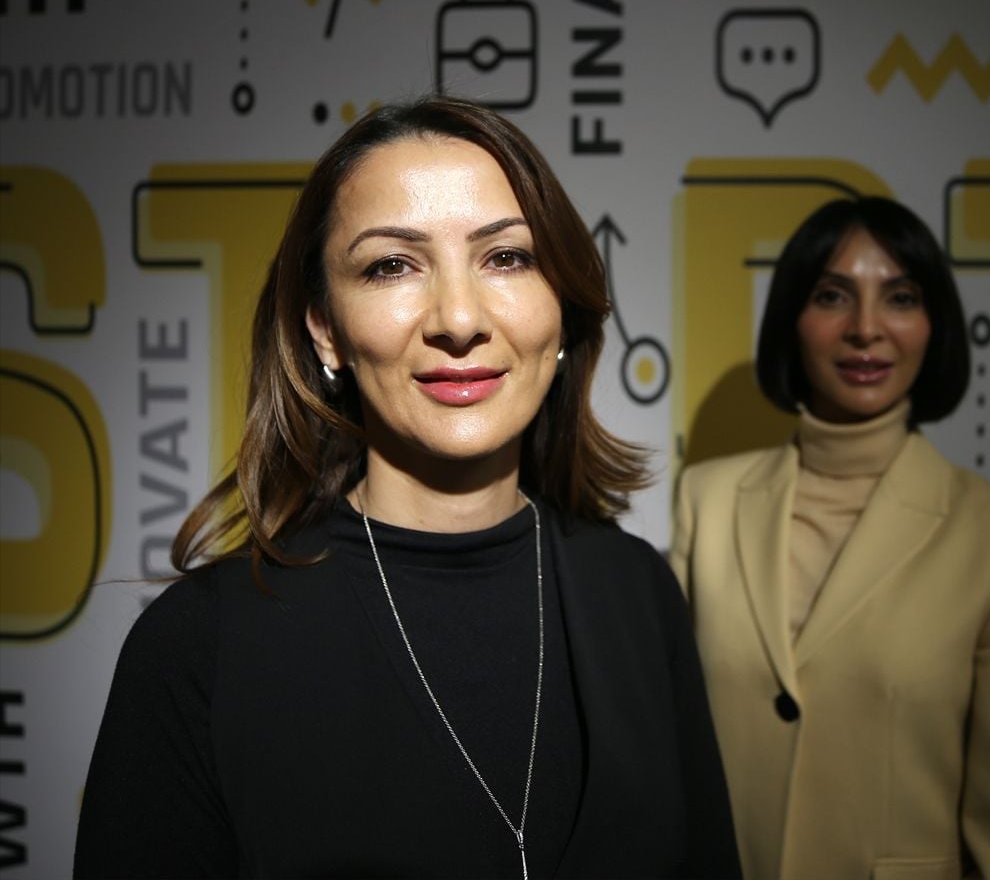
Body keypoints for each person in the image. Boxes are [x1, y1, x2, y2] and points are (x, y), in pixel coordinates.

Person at [75, 97, 740, 879]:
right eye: (391, 265)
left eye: (506, 257)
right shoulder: (200, 648)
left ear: (561, 306)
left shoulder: (638, 593)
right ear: (326, 329)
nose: (458, 318)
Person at [670, 196, 990, 879]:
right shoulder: (706, 500)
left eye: (900, 298)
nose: (866, 329)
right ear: (792, 319)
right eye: (833, 295)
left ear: (933, 325)